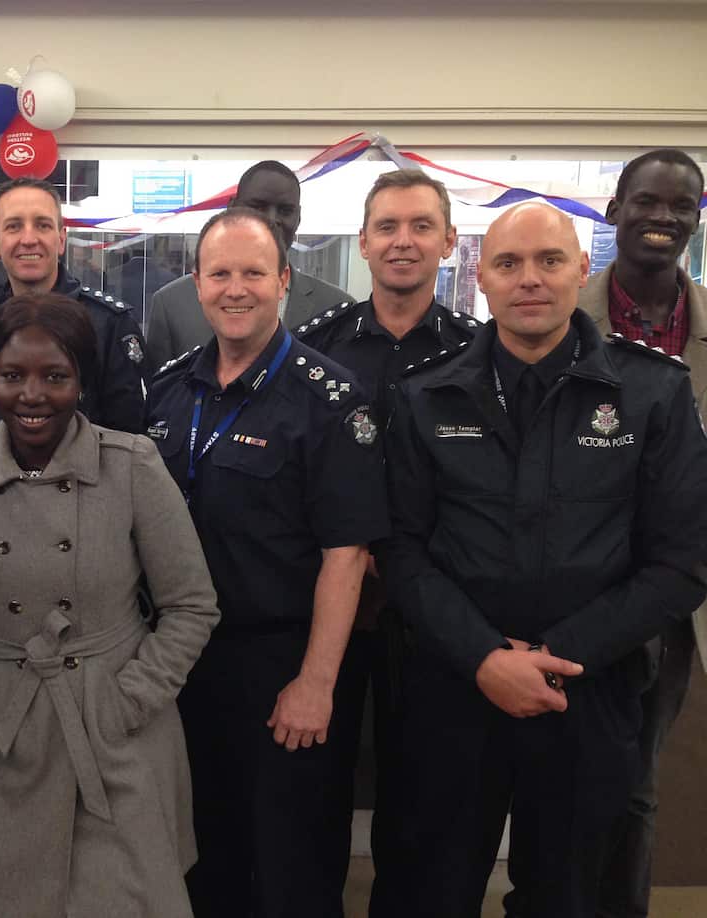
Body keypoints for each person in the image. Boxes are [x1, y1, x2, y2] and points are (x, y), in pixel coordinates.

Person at [376, 202, 707, 918]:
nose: (530, 279)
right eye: (509, 263)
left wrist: (558, 654)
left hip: (589, 691)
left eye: (550, 261)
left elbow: (681, 561)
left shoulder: (652, 391)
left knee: (571, 896)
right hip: (454, 688)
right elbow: (399, 550)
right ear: (481, 279)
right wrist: (487, 659)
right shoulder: (425, 395)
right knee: (429, 890)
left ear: (582, 269)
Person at [0, 294, 219, 917]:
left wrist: (127, 700)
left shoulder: (131, 465)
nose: (32, 395)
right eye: (12, 376)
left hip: (118, 732)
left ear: (83, 382)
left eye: (55, 376)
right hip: (9, 731)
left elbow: (191, 604)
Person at [146, 207, 390, 917]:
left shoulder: (331, 400)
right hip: (181, 668)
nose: (236, 288)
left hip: (284, 663)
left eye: (254, 272)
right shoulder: (166, 392)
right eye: (220, 272)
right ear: (197, 284)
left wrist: (317, 683)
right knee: (201, 857)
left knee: (293, 868)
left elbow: (347, 556)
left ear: (284, 281)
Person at [293, 168, 481, 915]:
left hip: (436, 611)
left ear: (447, 241)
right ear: (364, 242)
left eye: (420, 226)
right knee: (314, 793)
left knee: (423, 802)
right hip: (332, 607)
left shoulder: (479, 354)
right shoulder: (314, 352)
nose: (404, 241)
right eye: (389, 227)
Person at [579, 149, 705, 918]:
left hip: (678, 597)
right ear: (614, 209)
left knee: (638, 788)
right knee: (561, 777)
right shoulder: (559, 316)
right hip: (574, 588)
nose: (663, 218)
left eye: (681, 206)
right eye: (647, 202)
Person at [0, 177, 150, 433]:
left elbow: (129, 435)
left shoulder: (110, 326)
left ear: (61, 239)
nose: (28, 239)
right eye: (14, 226)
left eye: (42, 225)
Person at [145, 160, 353, 368]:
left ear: (298, 218)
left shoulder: (338, 310)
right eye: (258, 207)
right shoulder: (172, 305)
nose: (272, 219)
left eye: (285, 210)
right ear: (232, 208)